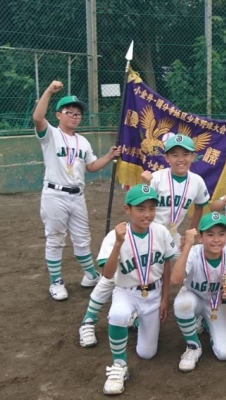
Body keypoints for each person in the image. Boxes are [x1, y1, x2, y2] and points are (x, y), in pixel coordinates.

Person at [78, 134, 209, 348]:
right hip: (147, 233)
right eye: (174, 155)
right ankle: (89, 320)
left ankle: (197, 310)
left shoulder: (197, 181)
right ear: (166, 157)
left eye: (185, 154)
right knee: (116, 276)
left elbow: (201, 206)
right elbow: (141, 205)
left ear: (193, 156)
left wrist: (192, 232)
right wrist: (147, 183)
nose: (180, 159)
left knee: (192, 261)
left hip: (171, 236)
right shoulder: (157, 178)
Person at [32, 80, 121, 301]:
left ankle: (90, 275)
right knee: (55, 238)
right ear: (59, 115)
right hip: (54, 194)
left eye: (78, 113)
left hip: (77, 195)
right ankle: (56, 281)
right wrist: (49, 90)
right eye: (69, 112)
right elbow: (37, 118)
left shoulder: (83, 142)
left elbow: (90, 167)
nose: (74, 116)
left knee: (83, 238)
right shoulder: (50, 134)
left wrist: (109, 157)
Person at [100, 184, 177, 395]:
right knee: (117, 314)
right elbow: (107, 274)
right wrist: (117, 244)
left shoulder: (160, 232)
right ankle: (119, 365)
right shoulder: (115, 235)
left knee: (147, 353)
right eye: (140, 208)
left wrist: (164, 300)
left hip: (153, 293)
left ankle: (136, 321)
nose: (147, 214)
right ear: (128, 209)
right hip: (126, 292)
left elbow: (167, 265)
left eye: (151, 208)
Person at [170, 212, 226, 372]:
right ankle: (193, 346)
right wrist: (187, 246)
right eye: (210, 235)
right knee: (183, 304)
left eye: (221, 234)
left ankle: (206, 322)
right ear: (200, 237)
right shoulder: (193, 253)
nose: (216, 240)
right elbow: (175, 280)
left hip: (218, 304)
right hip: (195, 298)